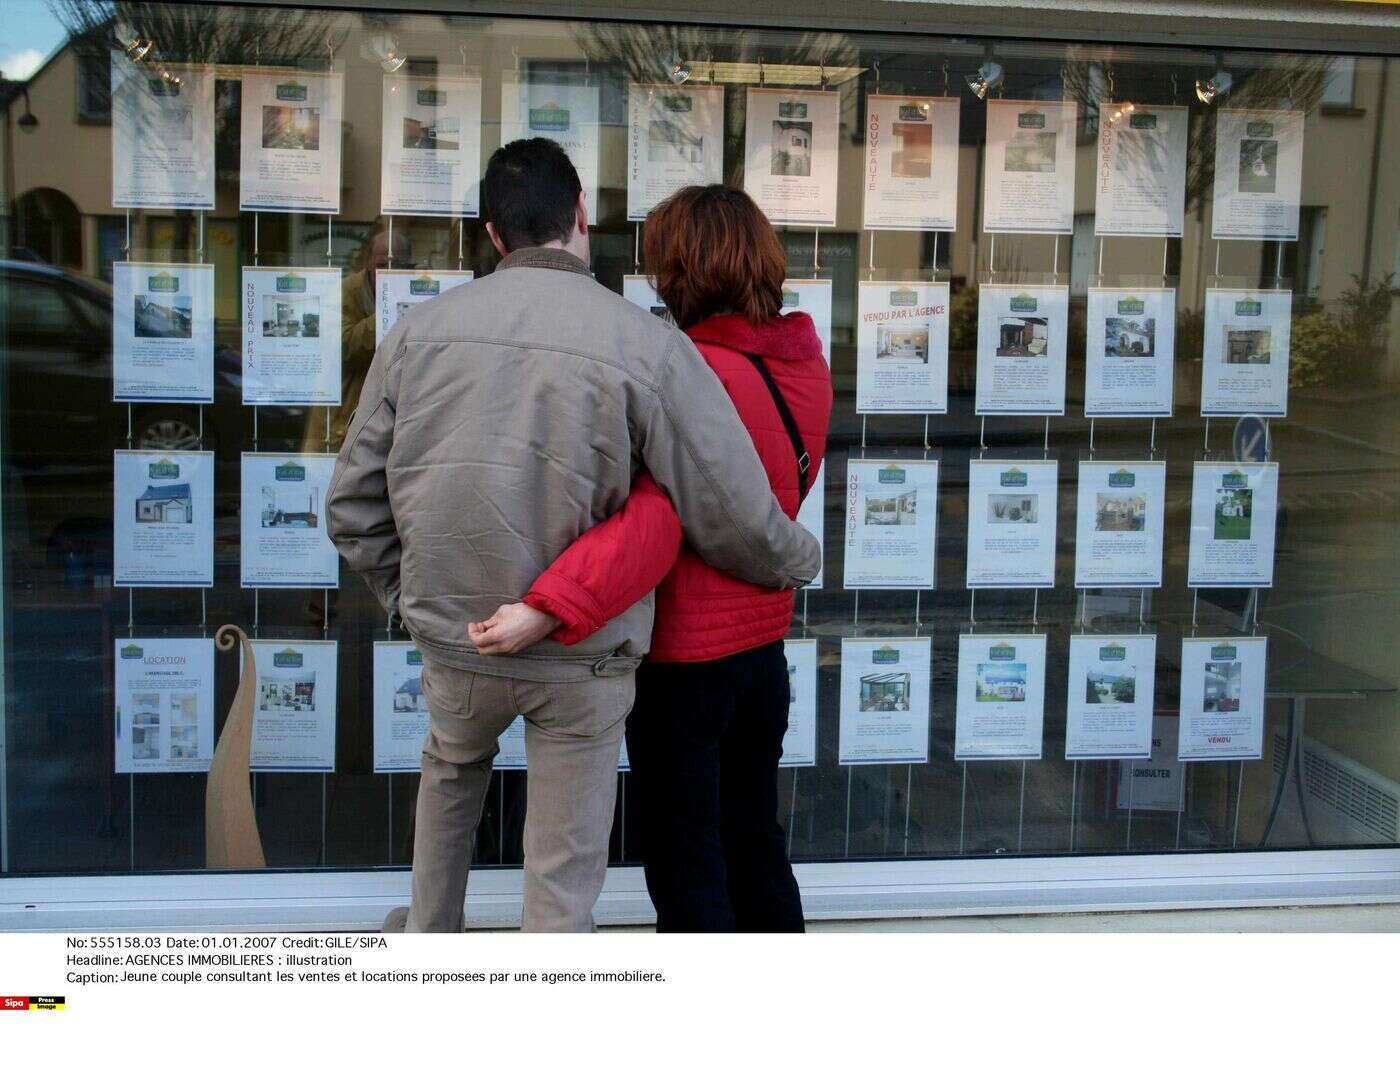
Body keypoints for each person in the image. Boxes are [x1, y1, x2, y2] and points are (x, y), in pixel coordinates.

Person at [326, 142, 820, 934]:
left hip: (459, 641)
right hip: (583, 658)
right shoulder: (645, 343)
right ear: (582, 215)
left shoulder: (418, 333)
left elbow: (351, 503)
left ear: (493, 235)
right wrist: (802, 558)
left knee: (449, 784)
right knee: (559, 892)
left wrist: (420, 602)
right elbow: (725, 504)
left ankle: (426, 944)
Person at [470, 185, 833, 932]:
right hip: (763, 656)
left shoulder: (692, 373)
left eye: (662, 262)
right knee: (755, 840)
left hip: (686, 664)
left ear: (684, 270)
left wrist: (550, 602)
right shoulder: (802, 363)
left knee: (689, 859)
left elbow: (658, 519)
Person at [302, 220, 411, 454]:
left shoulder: (413, 291)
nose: (388, 274)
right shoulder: (343, 292)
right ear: (368, 262)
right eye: (383, 265)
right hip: (341, 422)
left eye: (397, 266)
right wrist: (390, 311)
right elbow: (340, 347)